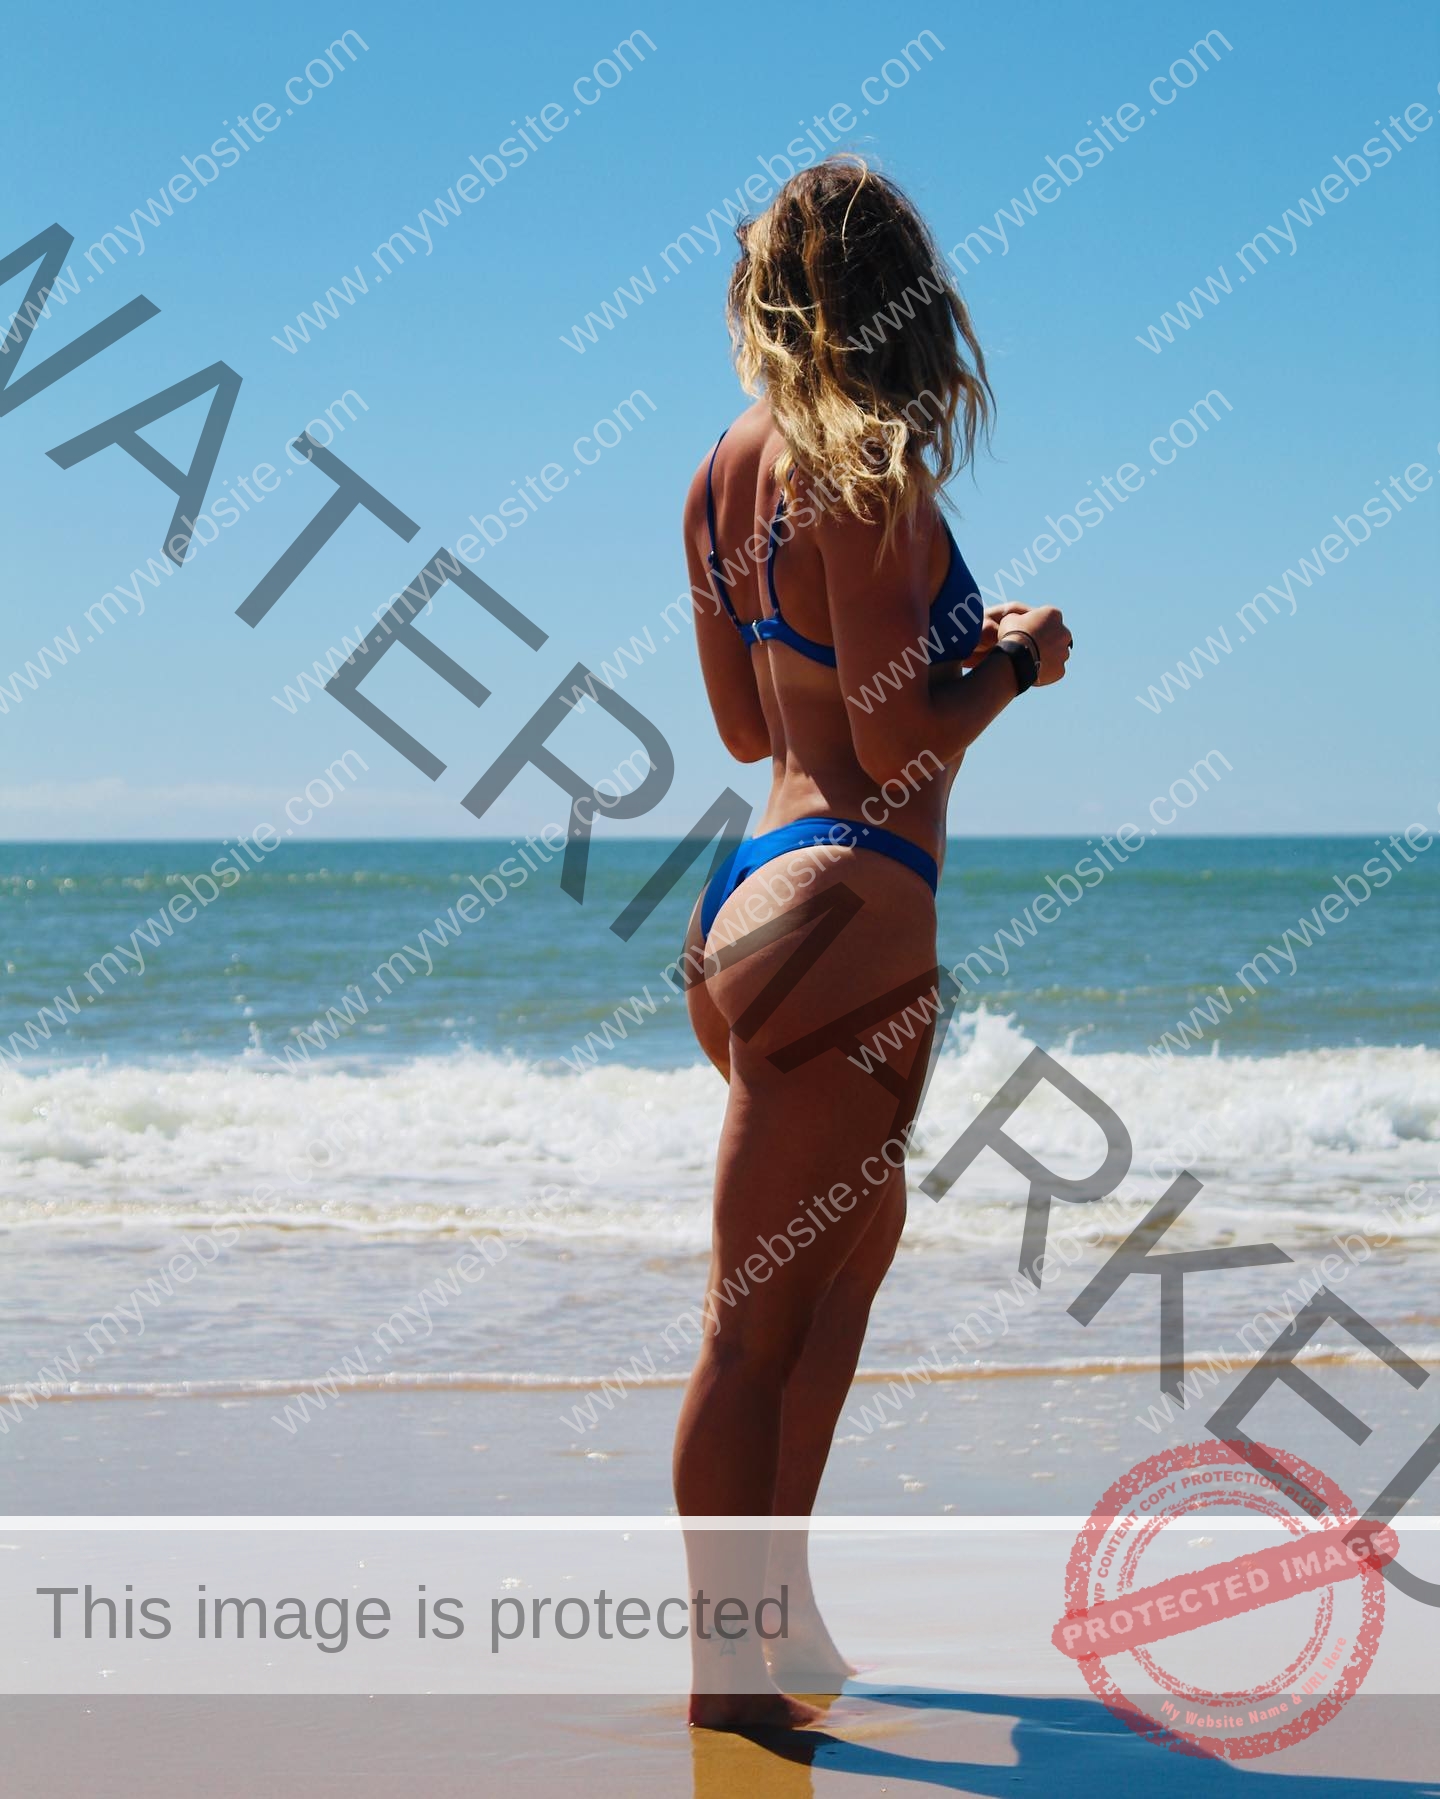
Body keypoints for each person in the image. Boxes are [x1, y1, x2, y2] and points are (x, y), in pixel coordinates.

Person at [672, 154, 1072, 1731]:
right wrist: (1023, 665)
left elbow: (733, 720)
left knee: (836, 1287)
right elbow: (910, 745)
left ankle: (785, 1622)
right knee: (758, 1326)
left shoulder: (721, 470)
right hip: (857, 897)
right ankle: (725, 1682)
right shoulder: (873, 467)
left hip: (755, 891)